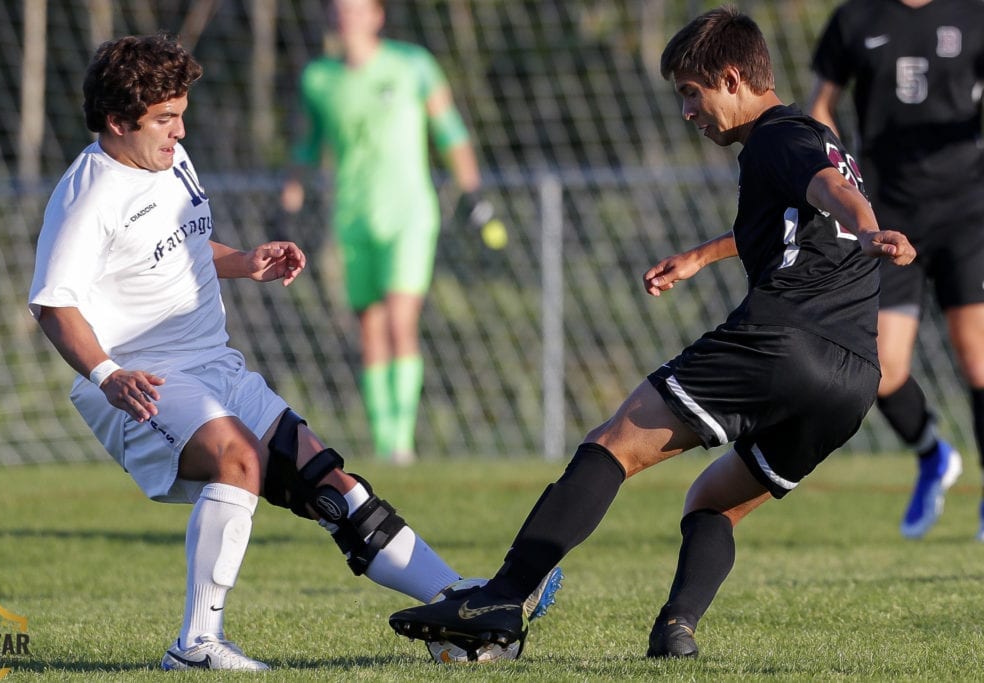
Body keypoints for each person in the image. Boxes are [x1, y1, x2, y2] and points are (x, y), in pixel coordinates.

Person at [387, 6, 916, 660]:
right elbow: (805, 214)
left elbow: (830, 191)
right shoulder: (812, 136)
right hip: (852, 379)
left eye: (692, 94)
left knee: (613, 444)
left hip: (782, 339)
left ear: (731, 77)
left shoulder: (781, 136)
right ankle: (676, 630)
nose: (687, 112)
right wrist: (703, 254)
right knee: (713, 501)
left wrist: (867, 225)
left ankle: (501, 596)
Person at [28, 33, 557, 671]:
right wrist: (109, 374)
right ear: (117, 123)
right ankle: (196, 645)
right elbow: (53, 303)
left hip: (212, 365)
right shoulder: (90, 193)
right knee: (238, 457)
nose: (180, 131)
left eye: (181, 113)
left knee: (326, 482)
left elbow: (179, 250)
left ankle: (457, 600)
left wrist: (245, 262)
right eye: (165, 119)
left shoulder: (167, 162)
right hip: (142, 379)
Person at [279, 0, 501, 466]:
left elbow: (451, 131)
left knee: (401, 321)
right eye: (339, 10)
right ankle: (383, 444)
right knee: (369, 328)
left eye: (357, 9)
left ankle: (402, 441)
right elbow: (307, 144)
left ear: (377, 15)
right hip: (352, 215)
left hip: (409, 214)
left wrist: (473, 191)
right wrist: (291, 199)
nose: (348, 17)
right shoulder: (318, 77)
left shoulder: (413, 65)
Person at [808, 0, 984, 540]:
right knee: (880, 367)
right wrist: (845, 180)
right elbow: (820, 106)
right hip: (888, 219)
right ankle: (933, 456)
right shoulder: (856, 18)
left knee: (977, 359)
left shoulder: (974, 14)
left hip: (967, 211)